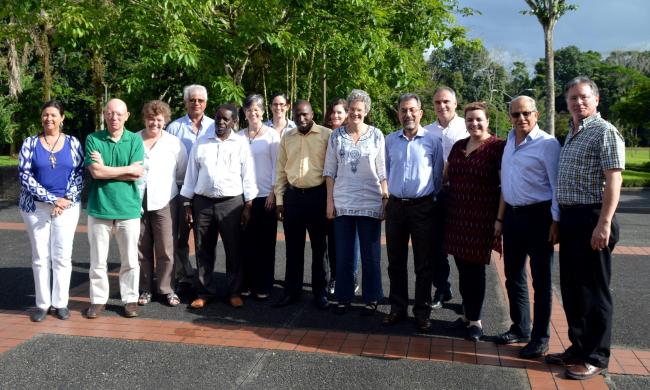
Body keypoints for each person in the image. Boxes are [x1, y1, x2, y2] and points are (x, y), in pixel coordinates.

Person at [546, 77, 625, 380]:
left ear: (596, 99)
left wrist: (604, 223)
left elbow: (614, 179)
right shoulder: (573, 133)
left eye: (583, 97)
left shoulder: (604, 132)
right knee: (573, 288)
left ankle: (596, 356)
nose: (578, 103)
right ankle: (578, 348)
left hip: (593, 217)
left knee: (594, 291)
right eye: (572, 99)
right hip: (571, 219)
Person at [495, 96, 560, 359]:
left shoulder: (547, 144)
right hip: (512, 215)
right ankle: (520, 327)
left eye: (526, 113)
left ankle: (540, 338)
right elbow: (504, 183)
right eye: (515, 114)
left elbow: (557, 187)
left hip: (539, 217)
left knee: (541, 281)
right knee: (513, 276)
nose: (520, 119)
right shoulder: (510, 140)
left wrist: (556, 221)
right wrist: (500, 220)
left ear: (536, 114)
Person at [180, 104, 257, 309]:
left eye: (225, 119)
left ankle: (234, 291)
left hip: (231, 203)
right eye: (218, 119)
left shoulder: (240, 144)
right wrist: (187, 203)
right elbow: (191, 174)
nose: (221, 123)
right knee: (203, 248)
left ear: (234, 122)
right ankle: (205, 292)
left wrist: (248, 205)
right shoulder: (201, 143)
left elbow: (248, 175)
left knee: (234, 249)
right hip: (203, 203)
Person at [382, 93, 444, 332]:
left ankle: (422, 312)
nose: (407, 114)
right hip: (396, 206)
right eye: (403, 110)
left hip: (423, 207)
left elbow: (438, 176)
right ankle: (397, 308)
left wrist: (428, 199)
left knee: (424, 264)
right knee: (395, 262)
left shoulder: (432, 141)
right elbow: (386, 171)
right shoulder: (390, 140)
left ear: (420, 113)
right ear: (398, 114)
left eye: (412, 110)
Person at [445, 101, 505, 341]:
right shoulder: (459, 146)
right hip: (457, 216)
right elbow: (445, 177)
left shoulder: (497, 147)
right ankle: (466, 316)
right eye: (470, 119)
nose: (474, 123)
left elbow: (504, 187)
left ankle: (476, 320)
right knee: (461, 268)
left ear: (488, 120)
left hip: (482, 219)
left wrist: (499, 219)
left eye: (479, 119)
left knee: (476, 270)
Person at [19, 100, 84, 322]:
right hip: (35, 208)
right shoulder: (30, 143)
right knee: (40, 256)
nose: (49, 118)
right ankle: (42, 304)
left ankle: (60, 303)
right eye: (46, 114)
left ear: (62, 118)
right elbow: (25, 175)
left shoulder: (73, 143)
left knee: (63, 256)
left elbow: (79, 174)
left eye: (54, 115)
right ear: (41, 117)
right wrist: (52, 199)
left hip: (67, 207)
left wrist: (64, 199)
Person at [324, 89, 387, 315]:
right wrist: (330, 202)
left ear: (366, 111)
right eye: (352, 109)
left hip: (370, 201)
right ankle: (344, 296)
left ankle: (371, 297)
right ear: (347, 109)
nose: (355, 113)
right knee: (343, 254)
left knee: (371, 256)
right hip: (342, 201)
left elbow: (382, 169)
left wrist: (385, 197)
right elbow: (329, 171)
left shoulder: (377, 135)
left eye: (360, 110)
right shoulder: (336, 136)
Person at [85, 98, 145, 319]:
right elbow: (96, 173)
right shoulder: (93, 138)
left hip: (128, 209)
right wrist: (125, 169)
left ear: (127, 116)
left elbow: (137, 173)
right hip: (100, 208)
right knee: (97, 260)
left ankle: (130, 299)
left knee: (130, 260)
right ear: (104, 114)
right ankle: (98, 301)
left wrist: (106, 168)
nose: (114, 117)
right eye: (110, 113)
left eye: (119, 114)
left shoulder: (135, 140)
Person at [273, 100, 332, 309]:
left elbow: (332, 169)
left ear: (313, 113)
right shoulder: (287, 136)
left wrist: (330, 202)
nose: (301, 119)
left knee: (319, 248)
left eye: (305, 114)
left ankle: (320, 293)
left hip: (318, 197)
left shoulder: (327, 135)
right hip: (293, 198)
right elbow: (280, 170)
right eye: (298, 115)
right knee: (293, 248)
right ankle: (292, 291)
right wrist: (280, 200)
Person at [136, 100, 188, 307]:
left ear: (165, 121)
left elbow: (182, 174)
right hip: (137, 200)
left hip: (166, 200)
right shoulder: (133, 140)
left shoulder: (174, 143)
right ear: (145, 119)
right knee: (141, 247)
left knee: (166, 248)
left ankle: (167, 288)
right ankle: (145, 288)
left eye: (159, 120)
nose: (154, 123)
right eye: (151, 119)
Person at [166, 85, 214, 293]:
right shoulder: (174, 128)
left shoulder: (215, 125)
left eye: (200, 100)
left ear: (206, 103)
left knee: (205, 237)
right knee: (180, 235)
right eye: (192, 100)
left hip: (206, 190)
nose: (196, 103)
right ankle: (183, 275)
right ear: (185, 102)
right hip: (181, 188)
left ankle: (206, 279)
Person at [424, 86, 468, 309]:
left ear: (455, 103)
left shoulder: (466, 126)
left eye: (446, 102)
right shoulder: (426, 131)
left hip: (461, 194)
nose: (442, 106)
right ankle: (442, 289)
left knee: (462, 248)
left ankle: (468, 297)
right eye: (437, 103)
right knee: (436, 246)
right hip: (435, 194)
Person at [238, 94, 280, 300]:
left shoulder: (272, 135)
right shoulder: (238, 136)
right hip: (245, 197)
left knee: (265, 243)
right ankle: (246, 283)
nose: (253, 113)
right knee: (246, 242)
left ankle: (264, 285)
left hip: (266, 196)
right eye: (249, 110)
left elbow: (277, 166)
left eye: (257, 110)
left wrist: (274, 192)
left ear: (263, 112)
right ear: (244, 113)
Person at [322, 98, 360, 296]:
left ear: (347, 114)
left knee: (351, 240)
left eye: (340, 112)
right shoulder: (326, 134)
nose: (335, 116)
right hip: (328, 192)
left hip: (350, 194)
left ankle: (351, 276)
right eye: (333, 112)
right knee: (333, 240)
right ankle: (336, 277)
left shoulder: (354, 134)